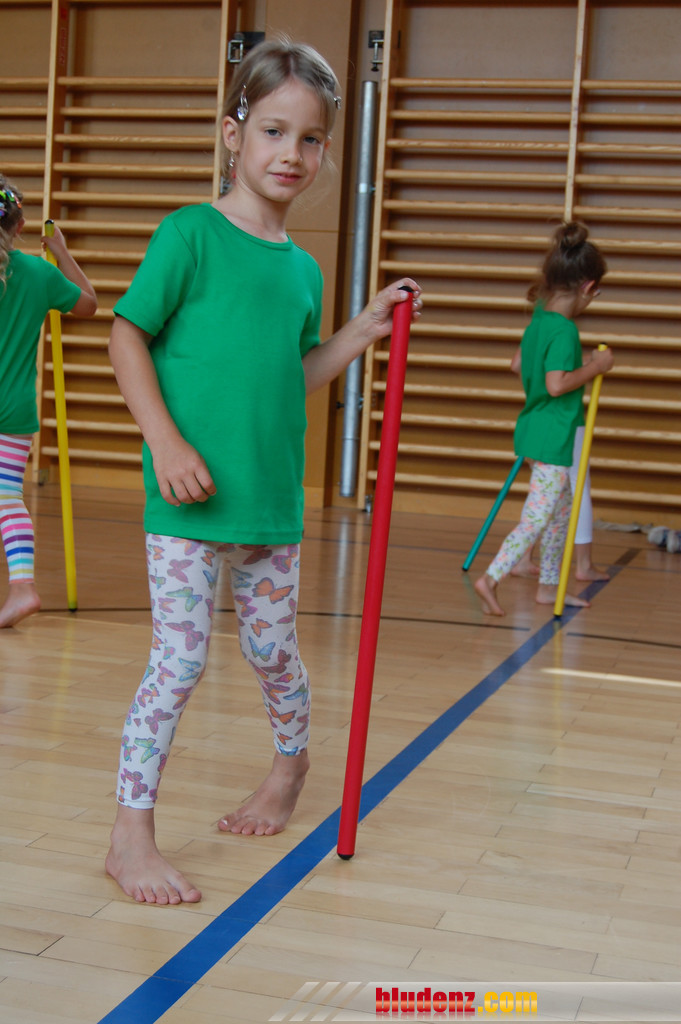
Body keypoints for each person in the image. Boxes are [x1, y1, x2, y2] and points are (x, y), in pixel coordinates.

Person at [104, 39, 422, 905]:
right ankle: (130, 835)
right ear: (231, 134)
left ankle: (290, 767)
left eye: (310, 139)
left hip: (270, 500)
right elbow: (126, 337)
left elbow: (294, 372)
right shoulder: (190, 235)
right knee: (178, 663)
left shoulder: (303, 269)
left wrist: (360, 331)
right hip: (186, 501)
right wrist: (165, 442)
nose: (291, 153)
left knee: (273, 653)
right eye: (274, 131)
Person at [474, 221, 613, 617]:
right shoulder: (564, 331)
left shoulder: (539, 321)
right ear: (588, 287)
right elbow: (556, 384)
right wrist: (596, 366)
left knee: (560, 514)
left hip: (539, 430)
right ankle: (491, 578)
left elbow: (517, 364)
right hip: (552, 436)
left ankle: (549, 589)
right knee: (537, 518)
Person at [0, 176, 97, 628]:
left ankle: (23, 591)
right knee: (7, 495)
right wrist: (61, 252)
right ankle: (22, 587)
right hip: (14, 409)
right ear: (19, 227)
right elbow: (88, 304)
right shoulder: (40, 274)